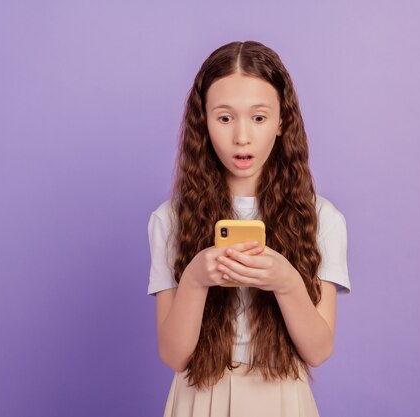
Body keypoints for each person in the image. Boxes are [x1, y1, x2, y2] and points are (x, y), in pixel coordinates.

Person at [147, 40, 350, 417]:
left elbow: (319, 351)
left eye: (258, 117)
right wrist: (195, 279)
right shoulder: (170, 220)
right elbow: (174, 355)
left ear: (281, 121)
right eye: (225, 118)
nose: (242, 137)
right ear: (203, 123)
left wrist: (286, 282)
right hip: (198, 397)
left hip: (283, 399)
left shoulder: (323, 219)